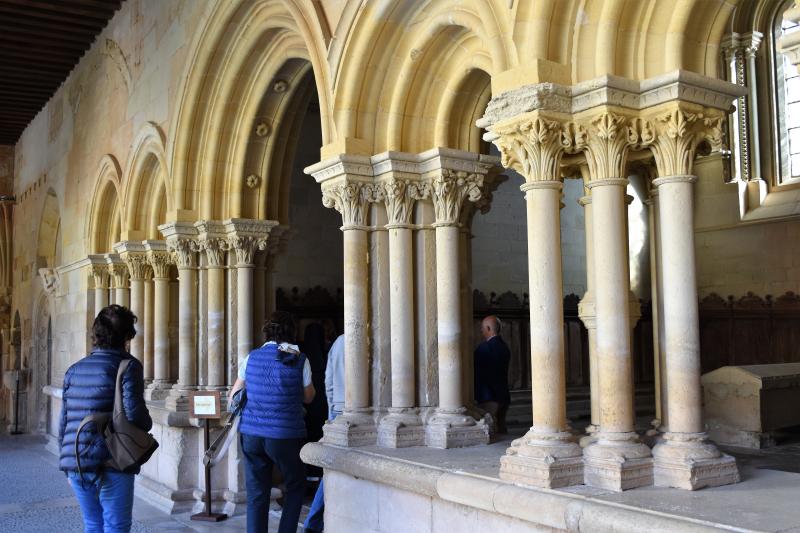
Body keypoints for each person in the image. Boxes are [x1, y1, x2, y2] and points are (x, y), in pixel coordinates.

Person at [58, 304, 152, 533]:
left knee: (92, 525)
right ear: (126, 336)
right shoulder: (128, 366)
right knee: (116, 527)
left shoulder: (74, 369)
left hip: (77, 460)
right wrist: (147, 424)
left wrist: (68, 463)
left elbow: (64, 422)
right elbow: (135, 415)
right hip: (113, 460)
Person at [229, 311, 315, 533]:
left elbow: (234, 395)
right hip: (285, 434)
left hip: (252, 434)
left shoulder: (252, 357)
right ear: (291, 333)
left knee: (257, 492)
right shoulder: (299, 359)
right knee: (295, 485)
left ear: (267, 332)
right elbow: (308, 397)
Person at [303, 333, 344, 533]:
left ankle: (314, 522)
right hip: (354, 409)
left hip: (337, 407)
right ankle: (313, 522)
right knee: (332, 467)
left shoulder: (337, 343)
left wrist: (331, 410)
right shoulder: (362, 340)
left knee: (330, 468)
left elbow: (328, 380)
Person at [474, 315, 511, 434]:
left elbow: (476, 372)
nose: (481, 331)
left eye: (482, 329)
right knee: (501, 427)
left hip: (488, 396)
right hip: (503, 395)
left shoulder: (484, 348)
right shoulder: (504, 347)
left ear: (488, 328)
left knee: (489, 431)